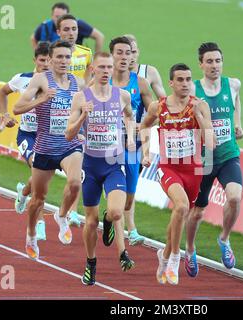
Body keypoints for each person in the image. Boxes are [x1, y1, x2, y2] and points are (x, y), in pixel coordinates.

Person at [65, 52, 136, 285]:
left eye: (109, 67)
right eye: (101, 67)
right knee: (90, 221)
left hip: (114, 164)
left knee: (116, 212)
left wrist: (131, 138)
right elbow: (68, 134)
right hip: (91, 167)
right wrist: (84, 114)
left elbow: (129, 115)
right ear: (93, 69)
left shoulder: (123, 96)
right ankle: (90, 262)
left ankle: (110, 220)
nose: (106, 71)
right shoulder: (80, 98)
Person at [140, 63, 214, 285]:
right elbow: (143, 126)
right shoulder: (158, 107)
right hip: (168, 168)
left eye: (188, 79)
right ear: (171, 83)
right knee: (180, 207)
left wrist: (199, 118)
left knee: (181, 214)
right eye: (180, 80)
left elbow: (210, 142)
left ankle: (163, 254)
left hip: (193, 170)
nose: (185, 84)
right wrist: (145, 152)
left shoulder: (200, 106)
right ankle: (174, 258)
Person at [13, 40, 86, 260]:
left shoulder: (78, 83)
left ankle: (62, 215)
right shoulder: (40, 80)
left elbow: (85, 110)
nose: (64, 61)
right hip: (44, 146)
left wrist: (83, 129)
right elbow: (17, 108)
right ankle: (31, 234)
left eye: (67, 57)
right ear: (51, 59)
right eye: (59, 57)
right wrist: (42, 98)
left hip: (68, 144)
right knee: (37, 199)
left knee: (75, 182)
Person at [185, 42, 243, 277]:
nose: (214, 65)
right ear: (201, 64)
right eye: (209, 61)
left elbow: (236, 101)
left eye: (218, 61)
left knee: (235, 198)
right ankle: (190, 250)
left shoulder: (233, 84)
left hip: (228, 154)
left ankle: (224, 239)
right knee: (197, 212)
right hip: (203, 160)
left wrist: (238, 123)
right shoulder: (193, 89)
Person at [0, 42, 51, 241]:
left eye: (49, 60)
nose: (46, 64)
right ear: (35, 60)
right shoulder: (22, 79)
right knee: (39, 174)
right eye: (42, 60)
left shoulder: (56, 83)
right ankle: (40, 222)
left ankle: (23, 193)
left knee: (40, 177)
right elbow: (2, 92)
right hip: (27, 135)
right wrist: (4, 115)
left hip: (47, 136)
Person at [109, 37, 153, 249]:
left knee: (129, 194)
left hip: (132, 145)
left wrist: (142, 124)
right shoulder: (102, 80)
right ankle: (128, 232)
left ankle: (110, 217)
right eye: (120, 53)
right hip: (106, 148)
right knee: (113, 190)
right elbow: (83, 106)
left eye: (128, 53)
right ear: (112, 56)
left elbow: (155, 113)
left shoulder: (140, 83)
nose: (125, 57)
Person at [30, 2, 104, 53]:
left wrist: (96, 58)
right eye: (57, 16)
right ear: (52, 15)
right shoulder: (45, 26)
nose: (59, 19)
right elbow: (33, 38)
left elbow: (99, 36)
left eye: (63, 16)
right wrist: (38, 55)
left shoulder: (78, 24)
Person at [124, 34, 166, 99]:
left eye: (134, 52)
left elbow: (163, 101)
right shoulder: (110, 73)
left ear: (138, 52)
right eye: (128, 53)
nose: (131, 57)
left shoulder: (150, 72)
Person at [57, 14, 92, 85]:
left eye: (74, 29)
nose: (71, 33)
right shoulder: (50, 54)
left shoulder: (87, 53)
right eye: (66, 29)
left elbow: (89, 81)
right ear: (58, 32)